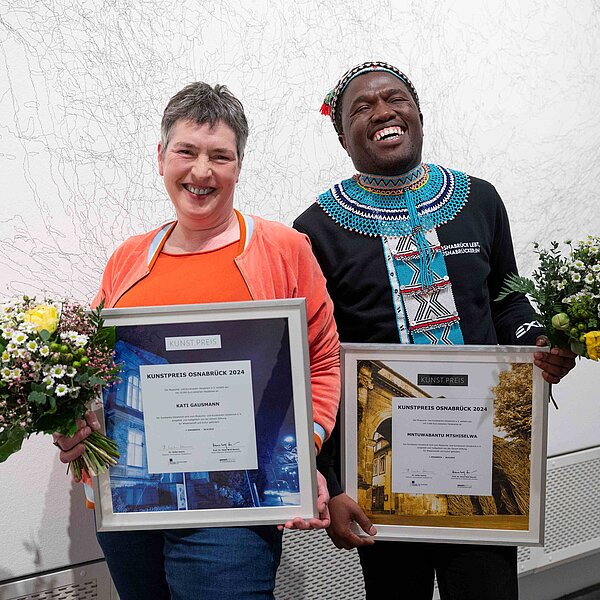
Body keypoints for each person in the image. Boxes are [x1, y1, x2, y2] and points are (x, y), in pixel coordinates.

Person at [293, 61, 577, 600]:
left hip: (480, 452)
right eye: (361, 108)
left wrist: (537, 343)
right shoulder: (315, 231)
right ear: (343, 136)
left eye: (395, 99)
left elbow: (508, 300)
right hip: (380, 470)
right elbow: (317, 361)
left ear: (419, 114)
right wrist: (332, 482)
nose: (382, 112)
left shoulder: (479, 200)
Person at [52, 82, 340, 600]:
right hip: (129, 505)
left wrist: (302, 450)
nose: (201, 171)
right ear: (161, 157)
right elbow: (92, 372)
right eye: (186, 151)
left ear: (239, 165)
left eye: (220, 156)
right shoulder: (128, 259)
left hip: (233, 511)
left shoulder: (283, 250)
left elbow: (321, 362)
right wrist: (76, 424)